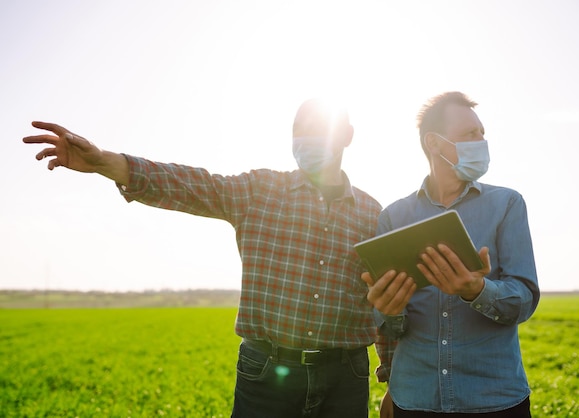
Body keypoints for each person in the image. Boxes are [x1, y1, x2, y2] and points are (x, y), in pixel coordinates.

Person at [23, 98, 382, 418]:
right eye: (298, 131)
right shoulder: (260, 191)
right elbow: (189, 184)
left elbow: (388, 300)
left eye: (318, 130)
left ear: (347, 136)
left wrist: (392, 374)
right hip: (267, 374)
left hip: (344, 378)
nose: (306, 140)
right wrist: (105, 163)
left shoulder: (372, 214)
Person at [362, 91, 540, 417]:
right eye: (470, 134)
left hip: (495, 400)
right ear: (434, 143)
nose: (481, 141)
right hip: (414, 400)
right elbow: (389, 326)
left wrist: (478, 291)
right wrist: (388, 310)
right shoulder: (394, 217)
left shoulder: (507, 205)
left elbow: (525, 298)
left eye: (483, 133)